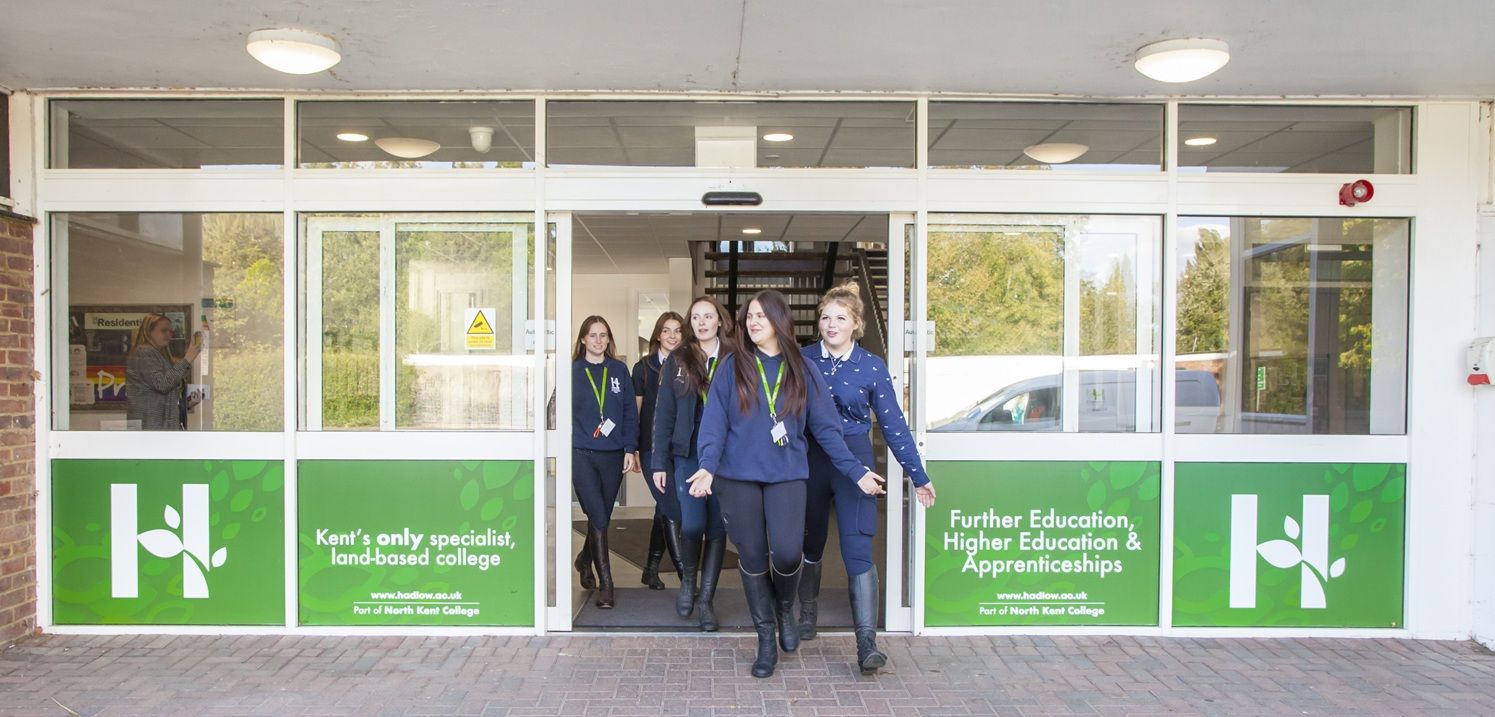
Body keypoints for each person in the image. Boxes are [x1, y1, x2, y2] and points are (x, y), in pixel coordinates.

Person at [689, 290, 883, 679]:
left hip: (788, 476)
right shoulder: (732, 366)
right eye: (749, 317)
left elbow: (828, 431)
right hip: (738, 477)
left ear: (780, 319)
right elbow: (714, 423)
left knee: (790, 554)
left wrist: (856, 470)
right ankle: (765, 637)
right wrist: (708, 466)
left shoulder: (803, 369)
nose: (753, 322)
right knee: (754, 557)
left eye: (761, 315)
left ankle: (784, 607)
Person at [799, 282, 937, 674]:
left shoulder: (872, 366)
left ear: (856, 324)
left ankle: (867, 644)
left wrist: (917, 474)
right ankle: (806, 616)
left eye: (840, 318)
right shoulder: (803, 358)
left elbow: (893, 426)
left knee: (858, 547)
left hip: (856, 464)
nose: (830, 324)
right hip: (811, 461)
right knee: (810, 542)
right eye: (825, 317)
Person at [651, 297, 732, 631]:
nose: (701, 322)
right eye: (695, 317)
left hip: (726, 459)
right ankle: (688, 582)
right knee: (692, 525)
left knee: (717, 528)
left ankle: (707, 600)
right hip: (687, 455)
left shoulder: (733, 358)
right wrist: (659, 462)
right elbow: (664, 412)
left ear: (719, 321)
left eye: (708, 316)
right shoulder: (677, 359)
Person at [570, 316, 639, 609]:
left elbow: (628, 412)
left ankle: (584, 560)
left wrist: (630, 448)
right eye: (593, 335)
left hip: (612, 455)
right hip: (582, 453)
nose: (598, 341)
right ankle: (606, 584)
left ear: (609, 339)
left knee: (603, 517)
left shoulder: (618, 370)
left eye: (603, 335)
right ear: (583, 339)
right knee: (598, 516)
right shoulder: (572, 371)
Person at [632, 312, 685, 591]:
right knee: (671, 508)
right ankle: (686, 577)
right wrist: (633, 449)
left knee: (663, 509)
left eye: (677, 331)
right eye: (667, 331)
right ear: (657, 335)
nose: (673, 336)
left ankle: (650, 569)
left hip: (678, 449)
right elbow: (636, 413)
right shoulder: (643, 368)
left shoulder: (688, 366)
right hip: (651, 449)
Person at [125, 313, 201, 430]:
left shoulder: (158, 355)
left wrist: (186, 404)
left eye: (171, 332)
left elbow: (163, 395)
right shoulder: (144, 352)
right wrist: (188, 358)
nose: (168, 335)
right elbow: (162, 385)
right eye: (164, 330)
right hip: (150, 428)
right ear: (149, 331)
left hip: (159, 428)